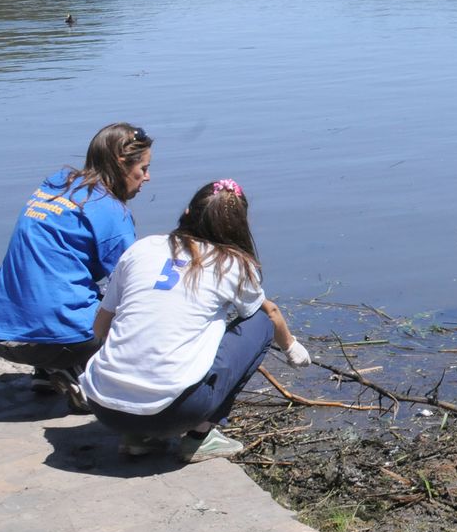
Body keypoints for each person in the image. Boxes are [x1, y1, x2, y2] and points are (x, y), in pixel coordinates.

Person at [79, 179, 311, 462]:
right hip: (175, 414)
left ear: (188, 211)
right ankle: (200, 437)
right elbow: (270, 313)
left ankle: (136, 438)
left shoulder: (142, 248)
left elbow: (100, 328)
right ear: (238, 226)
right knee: (260, 321)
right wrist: (292, 349)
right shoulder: (232, 263)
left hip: (105, 408)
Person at [0, 123, 154, 404]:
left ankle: (47, 370)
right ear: (122, 164)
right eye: (143, 169)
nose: (147, 177)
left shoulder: (57, 183)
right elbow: (136, 288)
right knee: (133, 319)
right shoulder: (111, 213)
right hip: (57, 340)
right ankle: (82, 380)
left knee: (53, 277)